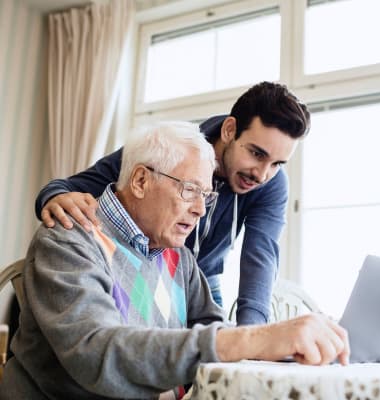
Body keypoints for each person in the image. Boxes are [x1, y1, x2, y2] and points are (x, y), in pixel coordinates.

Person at [1, 122, 349, 400]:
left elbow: (216, 330)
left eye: (206, 194)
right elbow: (97, 353)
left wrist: (279, 348)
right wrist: (253, 340)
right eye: (189, 190)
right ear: (139, 180)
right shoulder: (69, 237)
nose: (200, 209)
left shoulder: (178, 257)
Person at [35, 81, 310, 325]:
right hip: (145, 269)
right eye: (256, 153)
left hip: (201, 280)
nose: (262, 174)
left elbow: (261, 256)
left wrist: (252, 335)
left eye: (277, 163)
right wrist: (55, 197)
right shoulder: (173, 151)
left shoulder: (271, 183)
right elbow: (70, 187)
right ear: (229, 130)